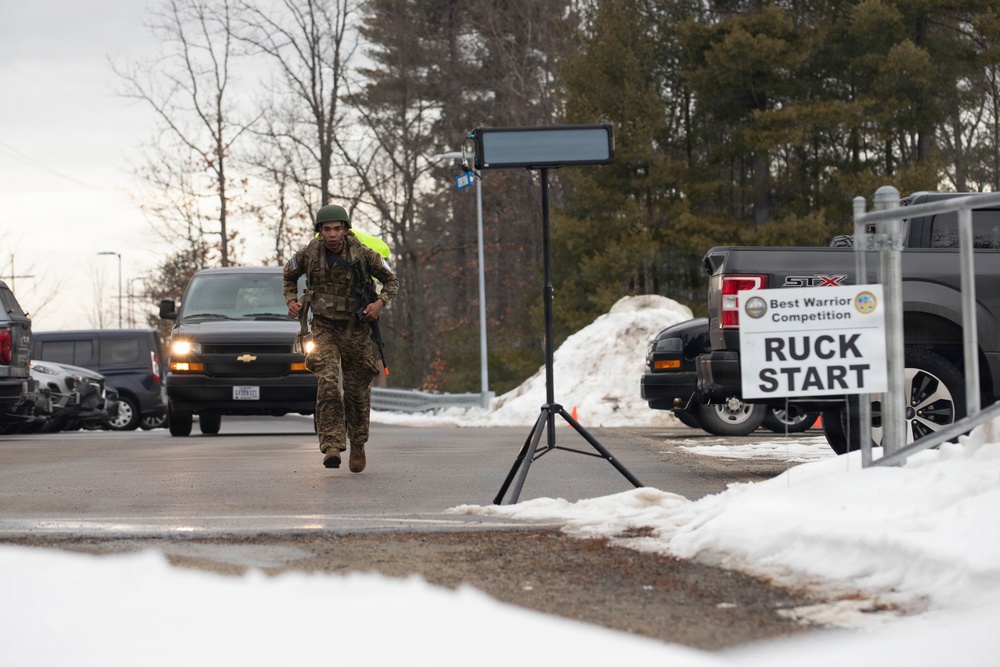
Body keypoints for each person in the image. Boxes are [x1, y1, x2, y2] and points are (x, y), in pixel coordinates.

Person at [283, 204, 399, 472]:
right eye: (327, 229)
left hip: (356, 329)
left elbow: (391, 281)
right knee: (328, 381)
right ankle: (332, 444)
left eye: (337, 228)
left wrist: (379, 303)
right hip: (325, 328)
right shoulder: (309, 253)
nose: (332, 234)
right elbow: (288, 276)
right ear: (320, 232)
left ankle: (357, 443)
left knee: (357, 391)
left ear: (346, 230)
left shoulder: (363, 254)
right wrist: (291, 300)